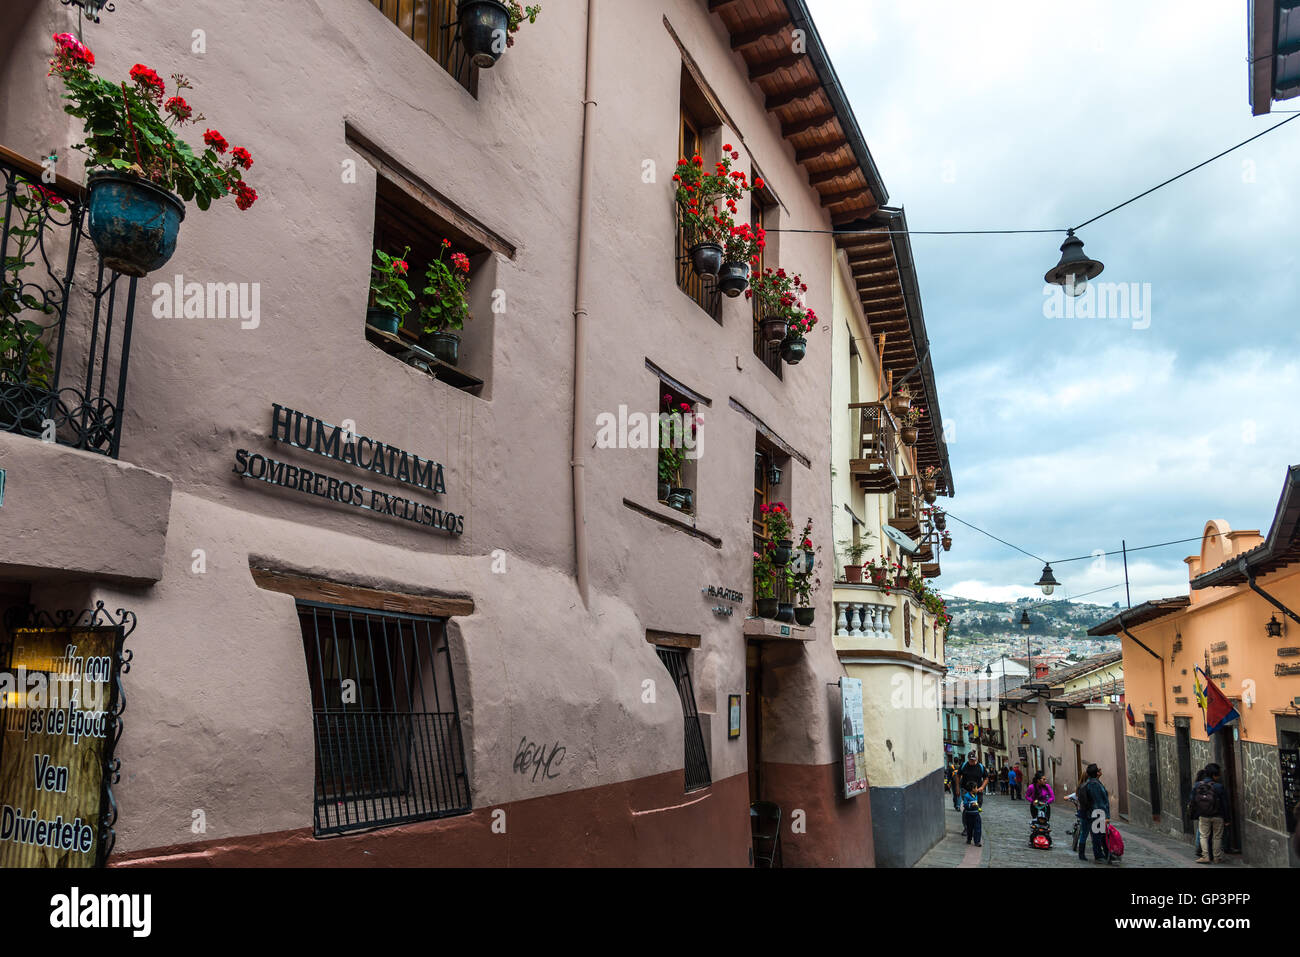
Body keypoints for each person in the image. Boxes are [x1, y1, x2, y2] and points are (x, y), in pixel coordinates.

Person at [1190, 763, 1229, 864]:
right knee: (1217, 836)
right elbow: (1224, 804)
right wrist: (1227, 819)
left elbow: (1192, 800)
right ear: (1214, 775)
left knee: (1203, 836)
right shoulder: (1219, 787)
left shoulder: (1198, 785)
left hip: (1203, 816)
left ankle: (1205, 856)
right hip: (1218, 815)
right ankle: (1217, 857)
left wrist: (1196, 813)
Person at [1077, 763, 1111, 863]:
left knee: (1097, 835)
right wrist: (1106, 816)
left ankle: (1104, 854)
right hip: (1097, 813)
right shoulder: (1094, 785)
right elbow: (1099, 802)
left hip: (1091, 813)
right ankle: (1099, 856)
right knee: (1097, 836)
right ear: (1096, 773)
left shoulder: (1089, 782)